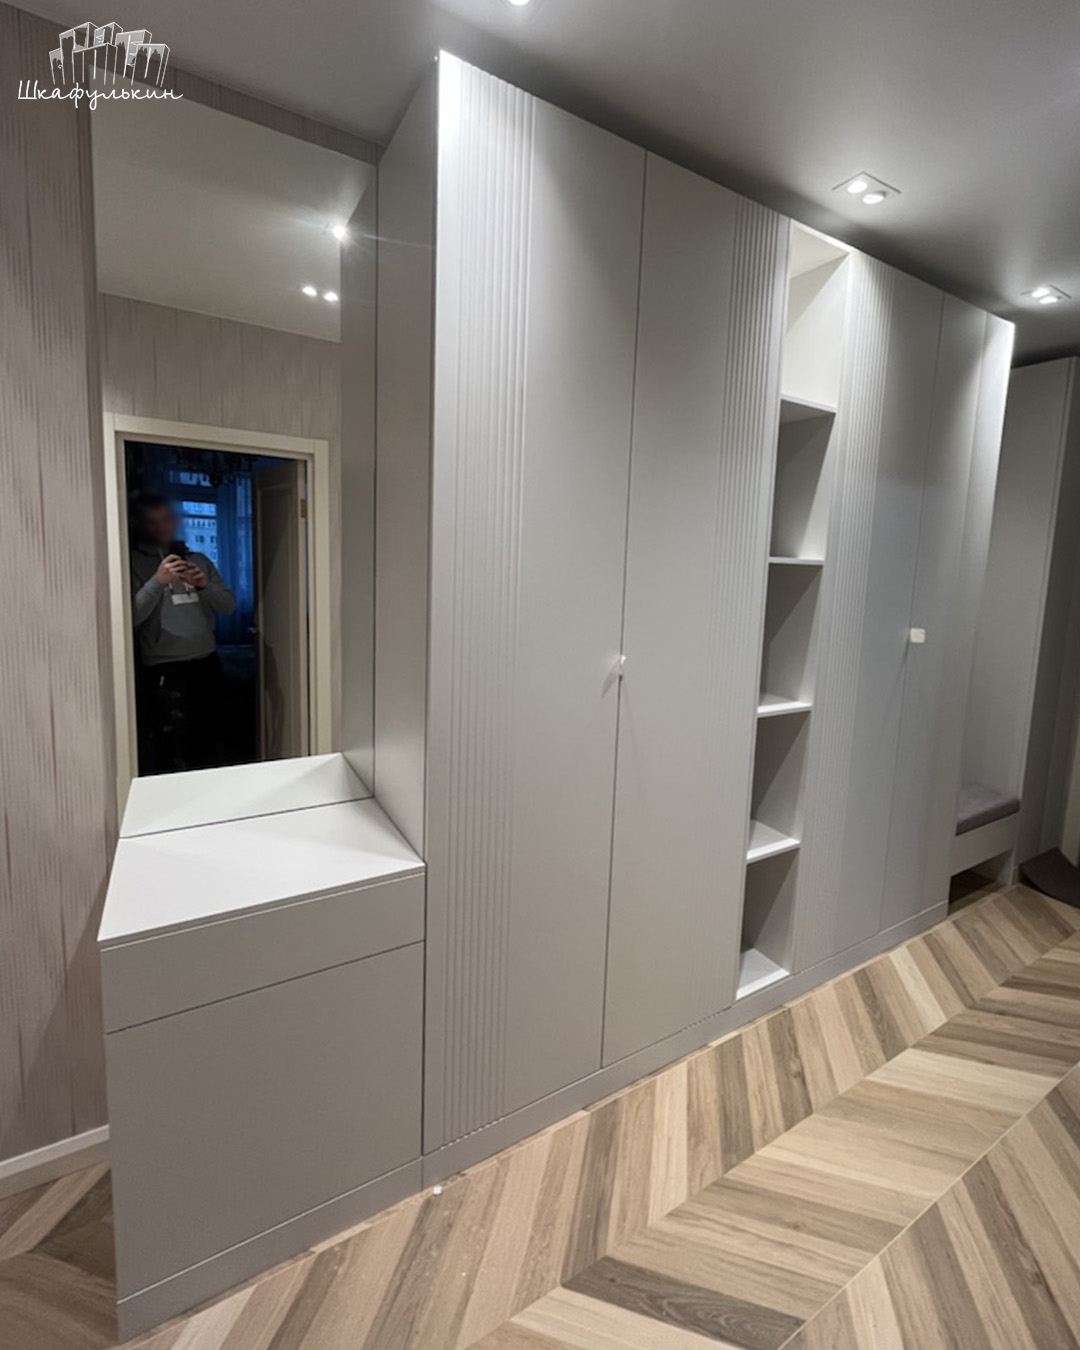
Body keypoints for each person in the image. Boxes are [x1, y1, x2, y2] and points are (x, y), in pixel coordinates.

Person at [130, 493, 236, 774]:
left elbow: (228, 606)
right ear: (140, 525)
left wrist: (204, 586)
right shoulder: (131, 563)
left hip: (207, 662)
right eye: (151, 522)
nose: (160, 527)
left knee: (210, 739)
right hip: (164, 668)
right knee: (170, 746)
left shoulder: (199, 560)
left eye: (165, 520)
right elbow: (131, 619)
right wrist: (157, 581)